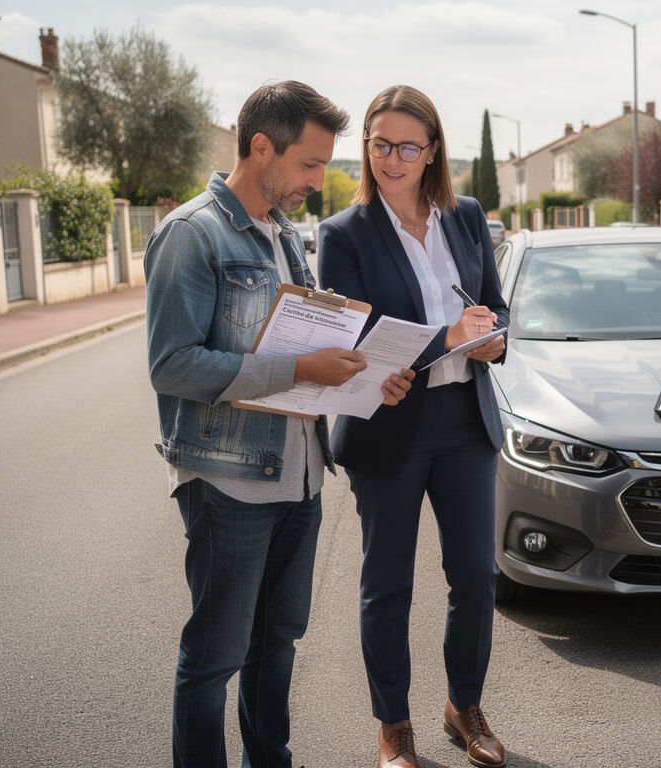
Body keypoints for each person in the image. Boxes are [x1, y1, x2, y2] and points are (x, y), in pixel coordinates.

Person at [145, 80, 414, 768]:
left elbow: (303, 349)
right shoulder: (191, 234)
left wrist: (367, 374)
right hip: (228, 482)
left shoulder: (285, 238)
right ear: (260, 148)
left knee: (277, 646)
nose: (318, 182)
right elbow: (173, 364)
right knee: (214, 659)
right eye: (308, 164)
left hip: (298, 479)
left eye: (323, 166)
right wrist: (302, 369)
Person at [318, 85, 509, 768]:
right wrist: (449, 335)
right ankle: (393, 726)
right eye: (378, 144)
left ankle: (464, 707)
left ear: (431, 153)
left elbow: (497, 310)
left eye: (405, 146)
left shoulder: (467, 217)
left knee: (474, 575)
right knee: (388, 582)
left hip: (464, 420)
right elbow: (355, 339)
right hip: (390, 420)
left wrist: (492, 339)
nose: (390, 158)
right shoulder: (343, 233)